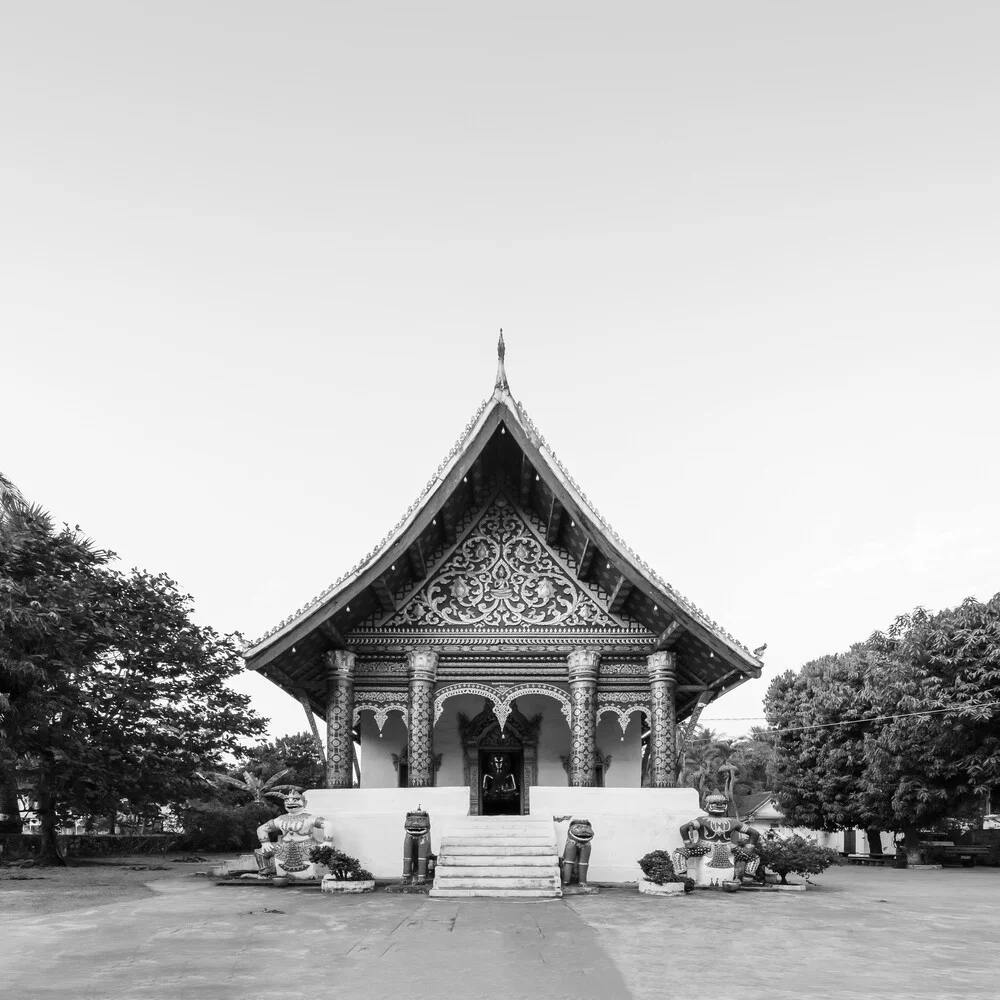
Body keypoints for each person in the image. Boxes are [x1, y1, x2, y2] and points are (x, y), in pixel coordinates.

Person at [255, 791, 331, 878]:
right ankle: (265, 873)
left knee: (327, 852)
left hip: (308, 846)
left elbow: (328, 824)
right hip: (283, 846)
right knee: (260, 852)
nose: (290, 803)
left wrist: (327, 842)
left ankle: (333, 873)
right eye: (287, 801)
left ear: (304, 803)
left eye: (295, 800)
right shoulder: (280, 819)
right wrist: (265, 843)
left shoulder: (309, 818)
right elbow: (261, 829)